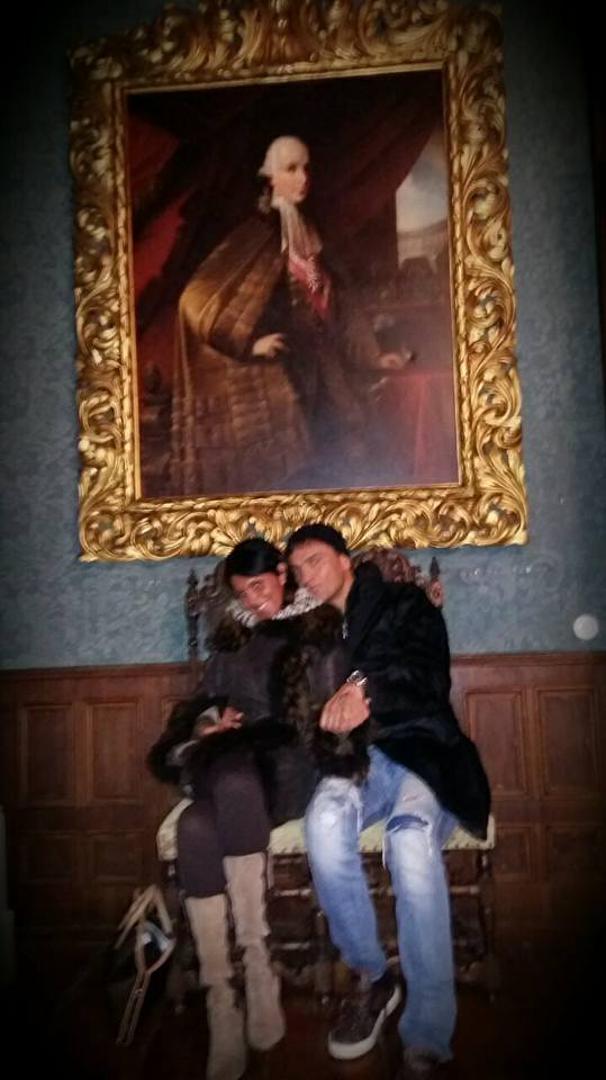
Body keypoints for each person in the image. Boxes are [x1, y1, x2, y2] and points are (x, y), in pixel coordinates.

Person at [285, 523, 491, 1080]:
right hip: (362, 761)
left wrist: (365, 688)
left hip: (424, 751)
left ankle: (427, 1032)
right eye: (297, 569)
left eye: (314, 560)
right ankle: (375, 978)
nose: (306, 575)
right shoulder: (311, 631)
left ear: (345, 560)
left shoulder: (404, 603)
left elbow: (427, 673)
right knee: (324, 820)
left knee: (410, 839)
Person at [147, 536, 347, 1080]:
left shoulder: (318, 629)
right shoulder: (232, 635)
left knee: (201, 819)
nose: (253, 601)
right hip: (230, 764)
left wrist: (254, 729)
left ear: (283, 573)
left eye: (259, 587)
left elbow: (324, 716)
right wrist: (210, 724)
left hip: (286, 766)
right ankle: (228, 993)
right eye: (242, 593)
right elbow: (204, 700)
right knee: (206, 812)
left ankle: (253, 969)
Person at [171, 135, 402, 494]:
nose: (303, 177)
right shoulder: (255, 234)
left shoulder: (309, 231)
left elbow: (336, 304)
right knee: (298, 475)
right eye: (291, 169)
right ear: (270, 178)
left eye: (306, 168)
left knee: (348, 458)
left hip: (326, 370)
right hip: (284, 377)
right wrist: (249, 343)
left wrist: (372, 356)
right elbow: (195, 300)